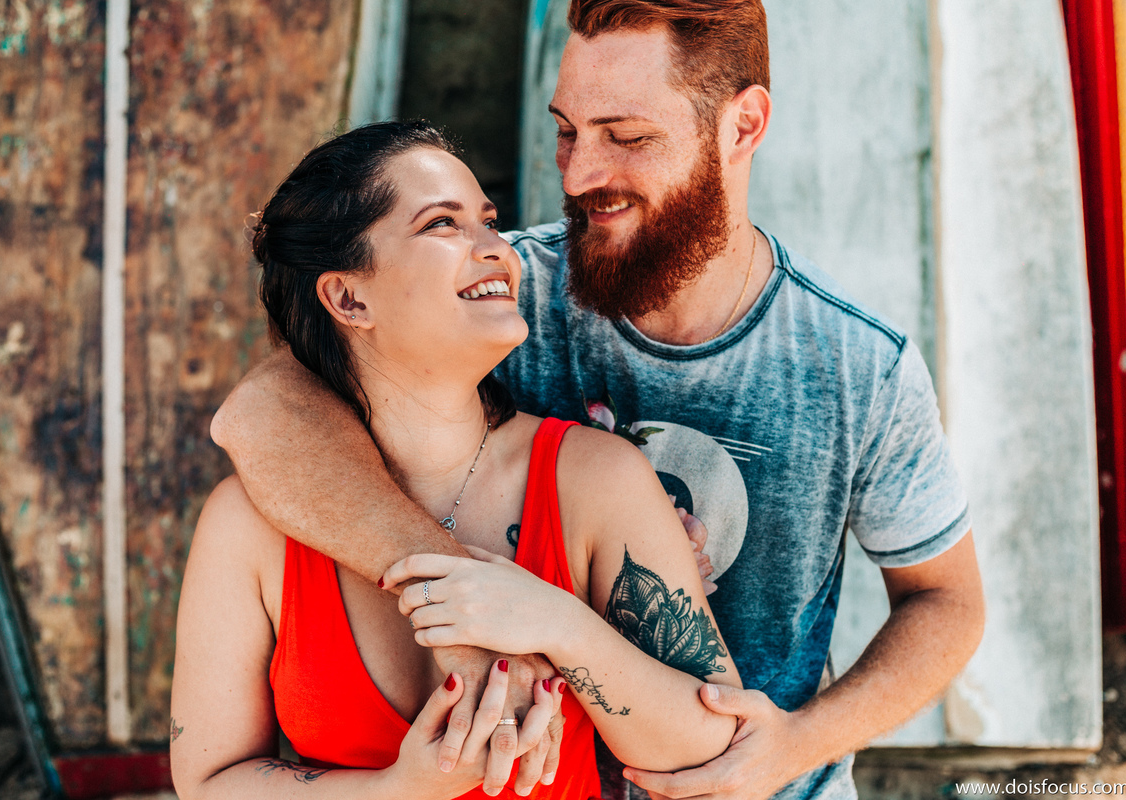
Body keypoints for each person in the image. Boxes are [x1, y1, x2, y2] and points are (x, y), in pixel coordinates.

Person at [209, 1, 986, 798]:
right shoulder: (503, 295)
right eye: (568, 130)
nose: (578, 175)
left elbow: (946, 603)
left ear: (742, 127)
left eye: (628, 136)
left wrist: (795, 744)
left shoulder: (858, 365)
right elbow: (266, 409)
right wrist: (468, 614)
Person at [169, 121, 741, 800]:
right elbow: (208, 782)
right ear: (349, 297)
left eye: (490, 222)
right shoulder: (248, 525)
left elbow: (708, 740)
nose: (497, 249)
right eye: (444, 224)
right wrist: (400, 788)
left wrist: (557, 624)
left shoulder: (594, 478)